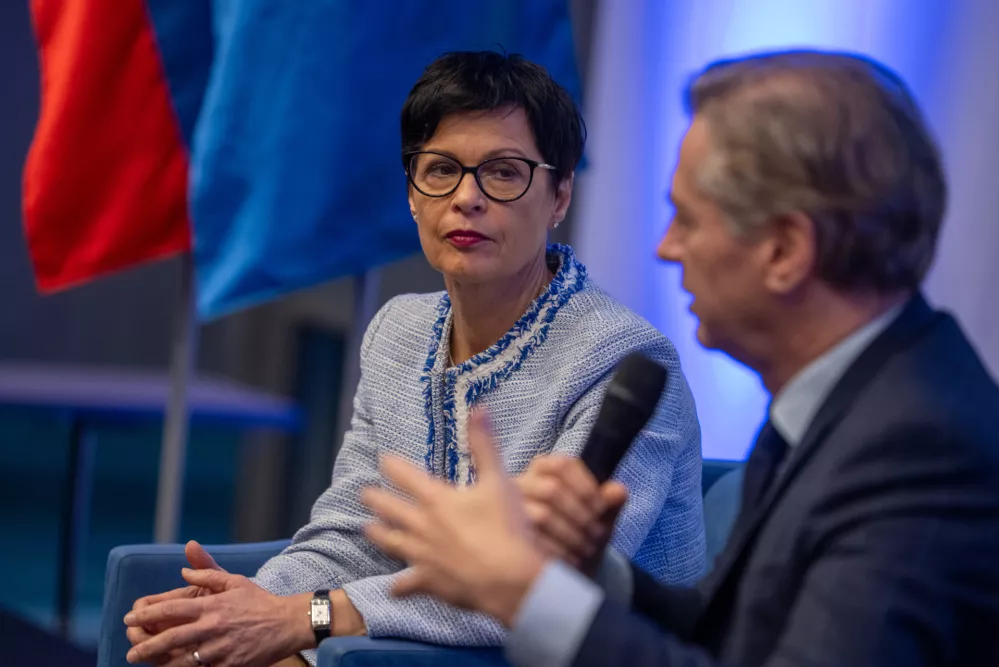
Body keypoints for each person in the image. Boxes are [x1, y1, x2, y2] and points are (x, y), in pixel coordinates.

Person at [359, 50, 999, 667]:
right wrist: (584, 570)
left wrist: (527, 594)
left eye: (687, 220)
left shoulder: (919, 449)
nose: (666, 249)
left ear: (785, 251)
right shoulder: (846, 403)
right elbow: (728, 633)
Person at [123, 51, 705, 667]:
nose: (467, 198)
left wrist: (302, 618)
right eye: (442, 170)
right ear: (411, 193)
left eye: (504, 173)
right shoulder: (398, 330)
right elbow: (352, 536)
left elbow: (534, 587)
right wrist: (248, 607)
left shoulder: (624, 360)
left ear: (560, 195)